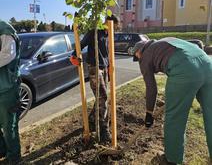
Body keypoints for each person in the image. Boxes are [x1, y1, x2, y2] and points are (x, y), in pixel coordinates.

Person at [132, 37, 212, 165]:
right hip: (208, 65)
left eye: (136, 57)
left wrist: (148, 113)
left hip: (185, 70)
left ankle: (172, 159)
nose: (138, 60)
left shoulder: (145, 55)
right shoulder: (166, 41)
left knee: (175, 117)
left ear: (139, 51)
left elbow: (151, 87)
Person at [71, 15, 120, 143]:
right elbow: (80, 44)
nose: (114, 30)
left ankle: (92, 119)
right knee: (103, 97)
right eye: (114, 27)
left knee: (100, 97)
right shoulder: (94, 32)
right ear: (108, 23)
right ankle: (104, 129)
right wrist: (74, 56)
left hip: (103, 69)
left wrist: (109, 67)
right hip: (94, 68)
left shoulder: (107, 35)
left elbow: (107, 54)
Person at [0, 21, 21, 164]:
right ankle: (2, 151)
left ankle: (14, 158)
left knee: (9, 125)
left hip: (7, 88)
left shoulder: (5, 30)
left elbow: (8, 54)